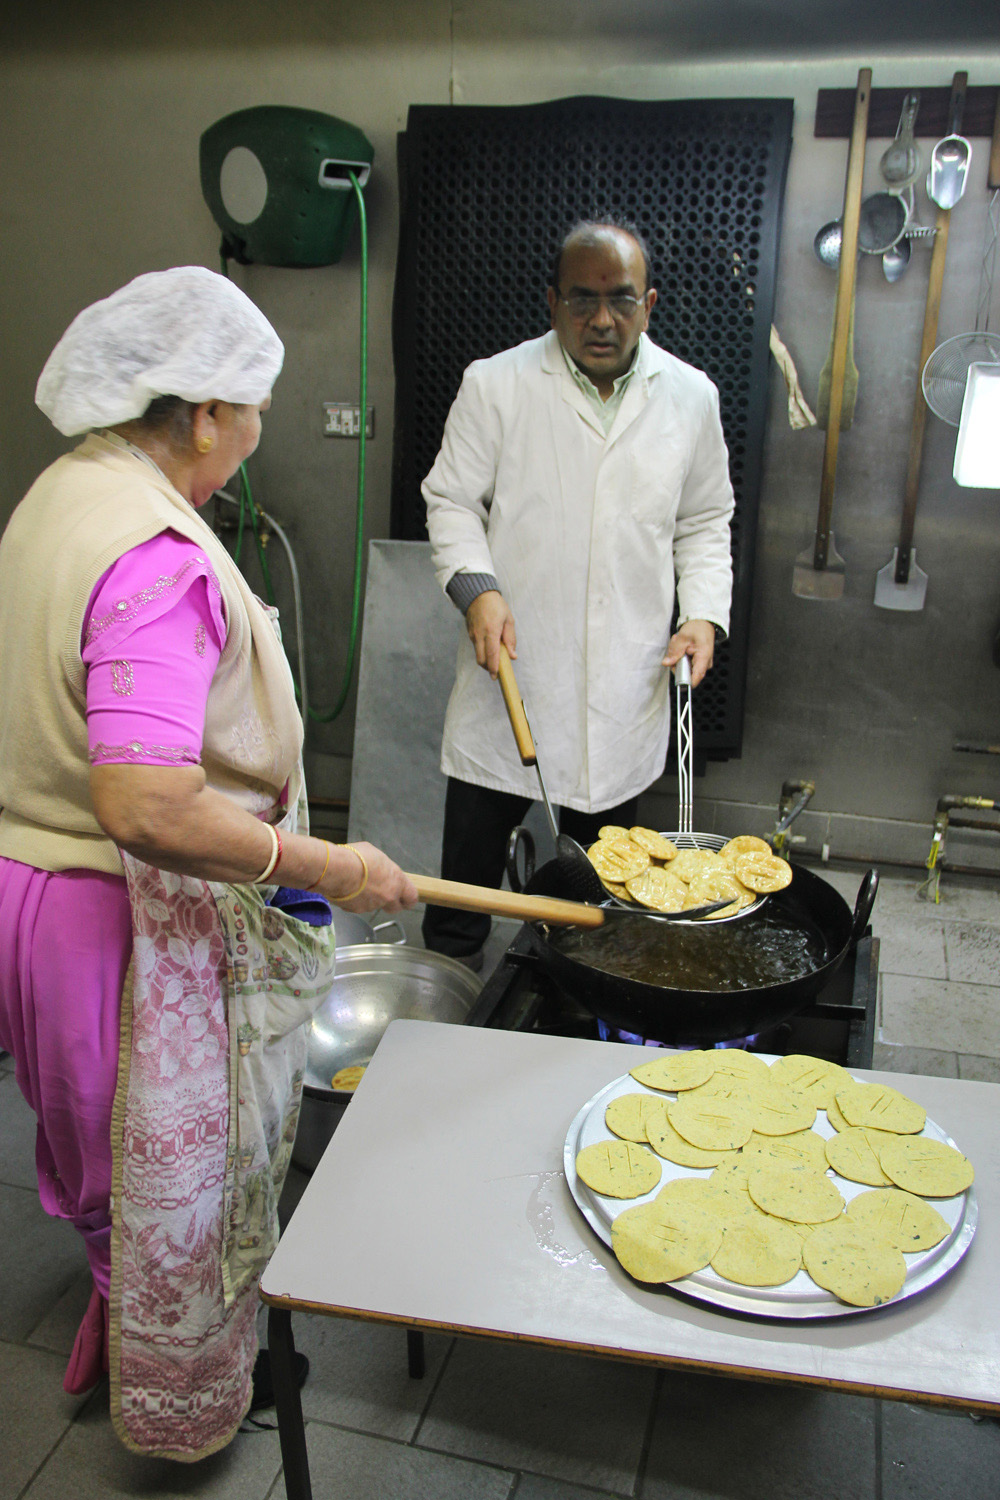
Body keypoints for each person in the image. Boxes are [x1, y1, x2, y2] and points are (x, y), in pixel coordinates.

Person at [0, 267, 417, 1460]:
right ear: (200, 414)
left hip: (30, 886)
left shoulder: (62, 492)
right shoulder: (152, 556)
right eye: (254, 411)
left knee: (96, 1154)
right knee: (173, 1184)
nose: (255, 435)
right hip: (112, 917)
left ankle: (118, 1311)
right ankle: (176, 1384)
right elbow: (145, 801)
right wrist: (320, 861)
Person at [421, 217, 734, 966]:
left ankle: (573, 1007)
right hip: (512, 679)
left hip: (623, 688)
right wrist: (478, 591)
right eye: (582, 299)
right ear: (552, 301)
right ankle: (445, 997)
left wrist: (702, 616)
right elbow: (452, 501)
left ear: (648, 304)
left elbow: (704, 520)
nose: (601, 319)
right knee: (464, 897)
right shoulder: (495, 385)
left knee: (598, 904)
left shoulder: (689, 397)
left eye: (621, 299)